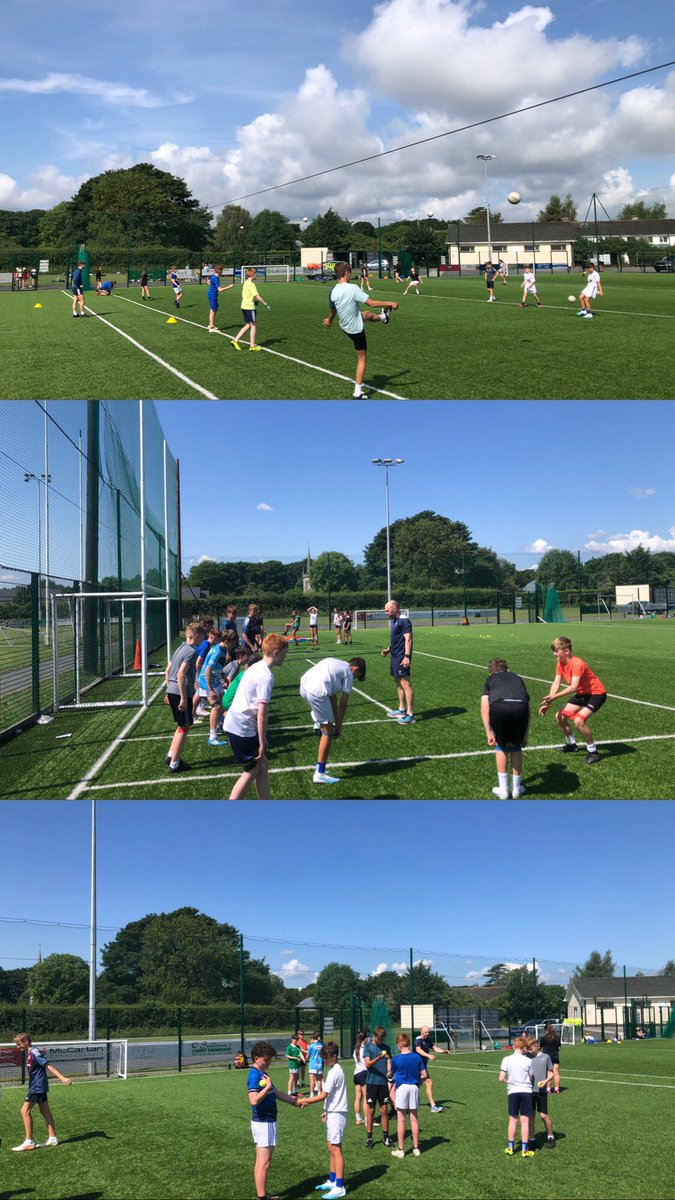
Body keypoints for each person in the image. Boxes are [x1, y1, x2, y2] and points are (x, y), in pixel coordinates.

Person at [223, 632, 288, 799]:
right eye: (284, 653)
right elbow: (262, 715)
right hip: (242, 728)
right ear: (276, 653)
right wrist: (261, 741)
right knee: (252, 770)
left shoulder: (256, 667)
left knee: (263, 765)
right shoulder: (266, 676)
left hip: (235, 723)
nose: (285, 657)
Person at [322, 261, 397, 399]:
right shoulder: (352, 288)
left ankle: (383, 317)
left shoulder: (332, 291)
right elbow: (372, 302)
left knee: (367, 314)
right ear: (346, 273)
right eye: (350, 273)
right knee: (362, 359)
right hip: (355, 329)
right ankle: (357, 393)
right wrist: (389, 302)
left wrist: (330, 320)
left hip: (344, 325)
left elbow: (333, 310)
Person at [299, 656, 366, 785]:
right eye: (357, 676)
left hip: (304, 687)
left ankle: (318, 720)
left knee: (327, 722)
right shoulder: (349, 674)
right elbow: (343, 704)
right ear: (356, 669)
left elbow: (333, 697)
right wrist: (338, 728)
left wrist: (335, 722)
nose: (355, 679)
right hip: (317, 692)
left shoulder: (337, 664)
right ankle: (320, 773)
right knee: (328, 733)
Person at [539, 636, 607, 764]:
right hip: (582, 694)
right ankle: (571, 745)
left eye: (556, 651)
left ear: (567, 651)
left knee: (579, 721)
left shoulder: (577, 663)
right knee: (559, 716)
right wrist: (549, 701)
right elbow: (556, 683)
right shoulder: (560, 664)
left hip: (596, 694)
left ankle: (593, 752)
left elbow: (573, 687)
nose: (554, 654)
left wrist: (554, 697)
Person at [247, 1040, 299, 1200]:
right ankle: (262, 1197)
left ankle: (261, 1196)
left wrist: (295, 1101)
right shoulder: (254, 1075)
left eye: (270, 1059)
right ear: (256, 1058)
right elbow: (254, 1100)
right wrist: (267, 1088)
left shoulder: (263, 1073)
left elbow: (276, 1093)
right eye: (265, 1059)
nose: (268, 1062)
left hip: (265, 1122)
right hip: (264, 1123)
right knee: (264, 1163)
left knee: (261, 1162)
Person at [298, 1042, 348, 1200]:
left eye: (326, 1058)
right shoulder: (333, 1070)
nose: (324, 1061)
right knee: (330, 1147)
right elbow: (330, 1096)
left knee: (336, 1149)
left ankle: (339, 1186)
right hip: (332, 1112)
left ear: (334, 1056)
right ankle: (333, 1180)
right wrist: (326, 1112)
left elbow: (323, 1095)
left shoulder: (335, 1072)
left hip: (338, 1113)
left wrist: (305, 1100)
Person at [11, 1032, 72, 1151]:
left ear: (26, 1042)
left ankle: (29, 1141)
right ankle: (53, 1138)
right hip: (38, 1086)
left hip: (37, 1087)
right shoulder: (30, 1052)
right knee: (45, 1111)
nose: (18, 1047)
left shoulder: (34, 1052)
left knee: (24, 1111)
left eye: (19, 1044)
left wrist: (62, 1078)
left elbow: (47, 1065)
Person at [480, 657, 530, 800]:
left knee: (501, 747)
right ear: (507, 669)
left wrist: (489, 732)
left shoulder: (490, 680)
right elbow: (527, 705)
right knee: (516, 746)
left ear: (490, 673)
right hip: (521, 707)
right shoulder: (517, 677)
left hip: (500, 707)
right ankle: (516, 789)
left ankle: (503, 790)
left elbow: (484, 709)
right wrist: (525, 734)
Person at [164, 622, 202, 773]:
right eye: (203, 636)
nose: (203, 640)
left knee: (181, 726)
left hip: (173, 691)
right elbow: (181, 674)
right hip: (181, 692)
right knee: (184, 727)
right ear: (197, 636)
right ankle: (175, 764)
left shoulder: (179, 648)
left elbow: (168, 670)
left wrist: (169, 690)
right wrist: (184, 698)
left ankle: (171, 755)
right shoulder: (191, 652)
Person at [388, 1033, 428, 1158]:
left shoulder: (396, 1059)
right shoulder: (417, 1057)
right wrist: (418, 1081)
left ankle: (401, 1150)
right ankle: (416, 1148)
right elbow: (424, 1075)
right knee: (414, 1119)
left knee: (401, 1119)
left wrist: (388, 1073)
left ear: (399, 1044)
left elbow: (390, 1075)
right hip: (414, 1087)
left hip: (402, 1088)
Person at [498, 1036, 535, 1157]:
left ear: (514, 1047)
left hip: (513, 1092)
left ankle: (510, 1148)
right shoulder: (528, 1061)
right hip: (526, 1091)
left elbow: (501, 1078)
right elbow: (531, 1076)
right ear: (524, 1048)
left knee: (512, 1120)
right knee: (525, 1121)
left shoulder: (506, 1059)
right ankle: (524, 1150)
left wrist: (509, 1082)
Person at [381, 599, 415, 724]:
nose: (386, 613)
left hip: (401, 657)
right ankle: (401, 709)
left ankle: (410, 714)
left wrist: (407, 656)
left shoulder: (404, 620)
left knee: (405, 683)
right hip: (395, 656)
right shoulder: (396, 621)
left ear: (394, 608)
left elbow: (408, 639)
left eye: (387, 610)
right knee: (397, 682)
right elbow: (397, 639)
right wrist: (388, 649)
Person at [363, 1025, 394, 1149]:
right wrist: (379, 1057)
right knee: (371, 1111)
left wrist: (389, 1071)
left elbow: (388, 1061)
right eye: (379, 1039)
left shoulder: (386, 1047)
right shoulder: (368, 1047)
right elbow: (367, 1064)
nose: (381, 1041)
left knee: (384, 1110)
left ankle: (386, 1137)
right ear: (374, 1036)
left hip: (382, 1083)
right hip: (371, 1083)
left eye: (382, 1039)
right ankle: (369, 1138)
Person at [525, 1038, 556, 1148]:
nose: (529, 1050)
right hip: (529, 1091)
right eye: (527, 1048)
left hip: (541, 1091)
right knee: (531, 1116)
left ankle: (551, 1137)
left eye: (530, 1048)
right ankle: (532, 1139)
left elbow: (552, 1073)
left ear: (537, 1045)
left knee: (543, 1115)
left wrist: (546, 1081)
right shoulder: (526, 1057)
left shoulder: (546, 1057)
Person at [231, 266, 269, 351]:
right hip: (249, 307)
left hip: (244, 306)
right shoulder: (252, 284)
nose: (256, 275)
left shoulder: (245, 283)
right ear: (252, 275)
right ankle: (252, 346)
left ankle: (235, 340)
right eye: (255, 274)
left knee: (248, 324)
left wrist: (252, 301)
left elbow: (243, 295)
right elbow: (257, 296)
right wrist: (265, 303)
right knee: (253, 325)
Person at [413, 1025, 448, 1112]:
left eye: (428, 1032)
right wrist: (428, 1055)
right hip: (417, 1065)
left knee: (417, 1083)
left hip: (422, 1066)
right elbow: (418, 1050)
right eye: (426, 1032)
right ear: (421, 1032)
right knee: (429, 1082)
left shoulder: (427, 1040)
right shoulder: (418, 1039)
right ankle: (433, 1106)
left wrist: (443, 1051)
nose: (427, 1034)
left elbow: (434, 1048)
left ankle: (410, 1098)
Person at [207, 264, 234, 331]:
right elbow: (220, 290)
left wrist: (210, 283)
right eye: (221, 271)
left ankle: (210, 324)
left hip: (211, 294)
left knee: (213, 309)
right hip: (213, 295)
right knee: (213, 310)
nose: (222, 272)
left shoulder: (213, 276)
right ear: (219, 271)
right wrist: (229, 287)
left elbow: (209, 282)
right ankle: (211, 327)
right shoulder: (216, 278)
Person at [538, 1024, 561, 1094]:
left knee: (549, 1073)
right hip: (555, 1057)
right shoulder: (557, 1037)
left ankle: (548, 1089)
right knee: (556, 1073)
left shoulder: (544, 1038)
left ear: (546, 1030)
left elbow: (540, 1047)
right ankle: (557, 1089)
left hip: (547, 1057)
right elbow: (559, 1046)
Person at [352, 1030, 369, 1126]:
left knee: (358, 1097)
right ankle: (367, 1120)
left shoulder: (356, 1049)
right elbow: (366, 1063)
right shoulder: (365, 1049)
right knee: (366, 1097)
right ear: (364, 1039)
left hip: (356, 1074)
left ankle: (358, 1119)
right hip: (363, 1073)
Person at [307, 1031, 324, 1098]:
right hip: (319, 1065)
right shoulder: (321, 1045)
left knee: (312, 1080)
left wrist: (305, 1060)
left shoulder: (311, 1046)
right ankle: (319, 1093)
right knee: (319, 1080)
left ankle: (312, 1094)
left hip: (312, 1064)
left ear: (313, 1038)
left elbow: (308, 1055)